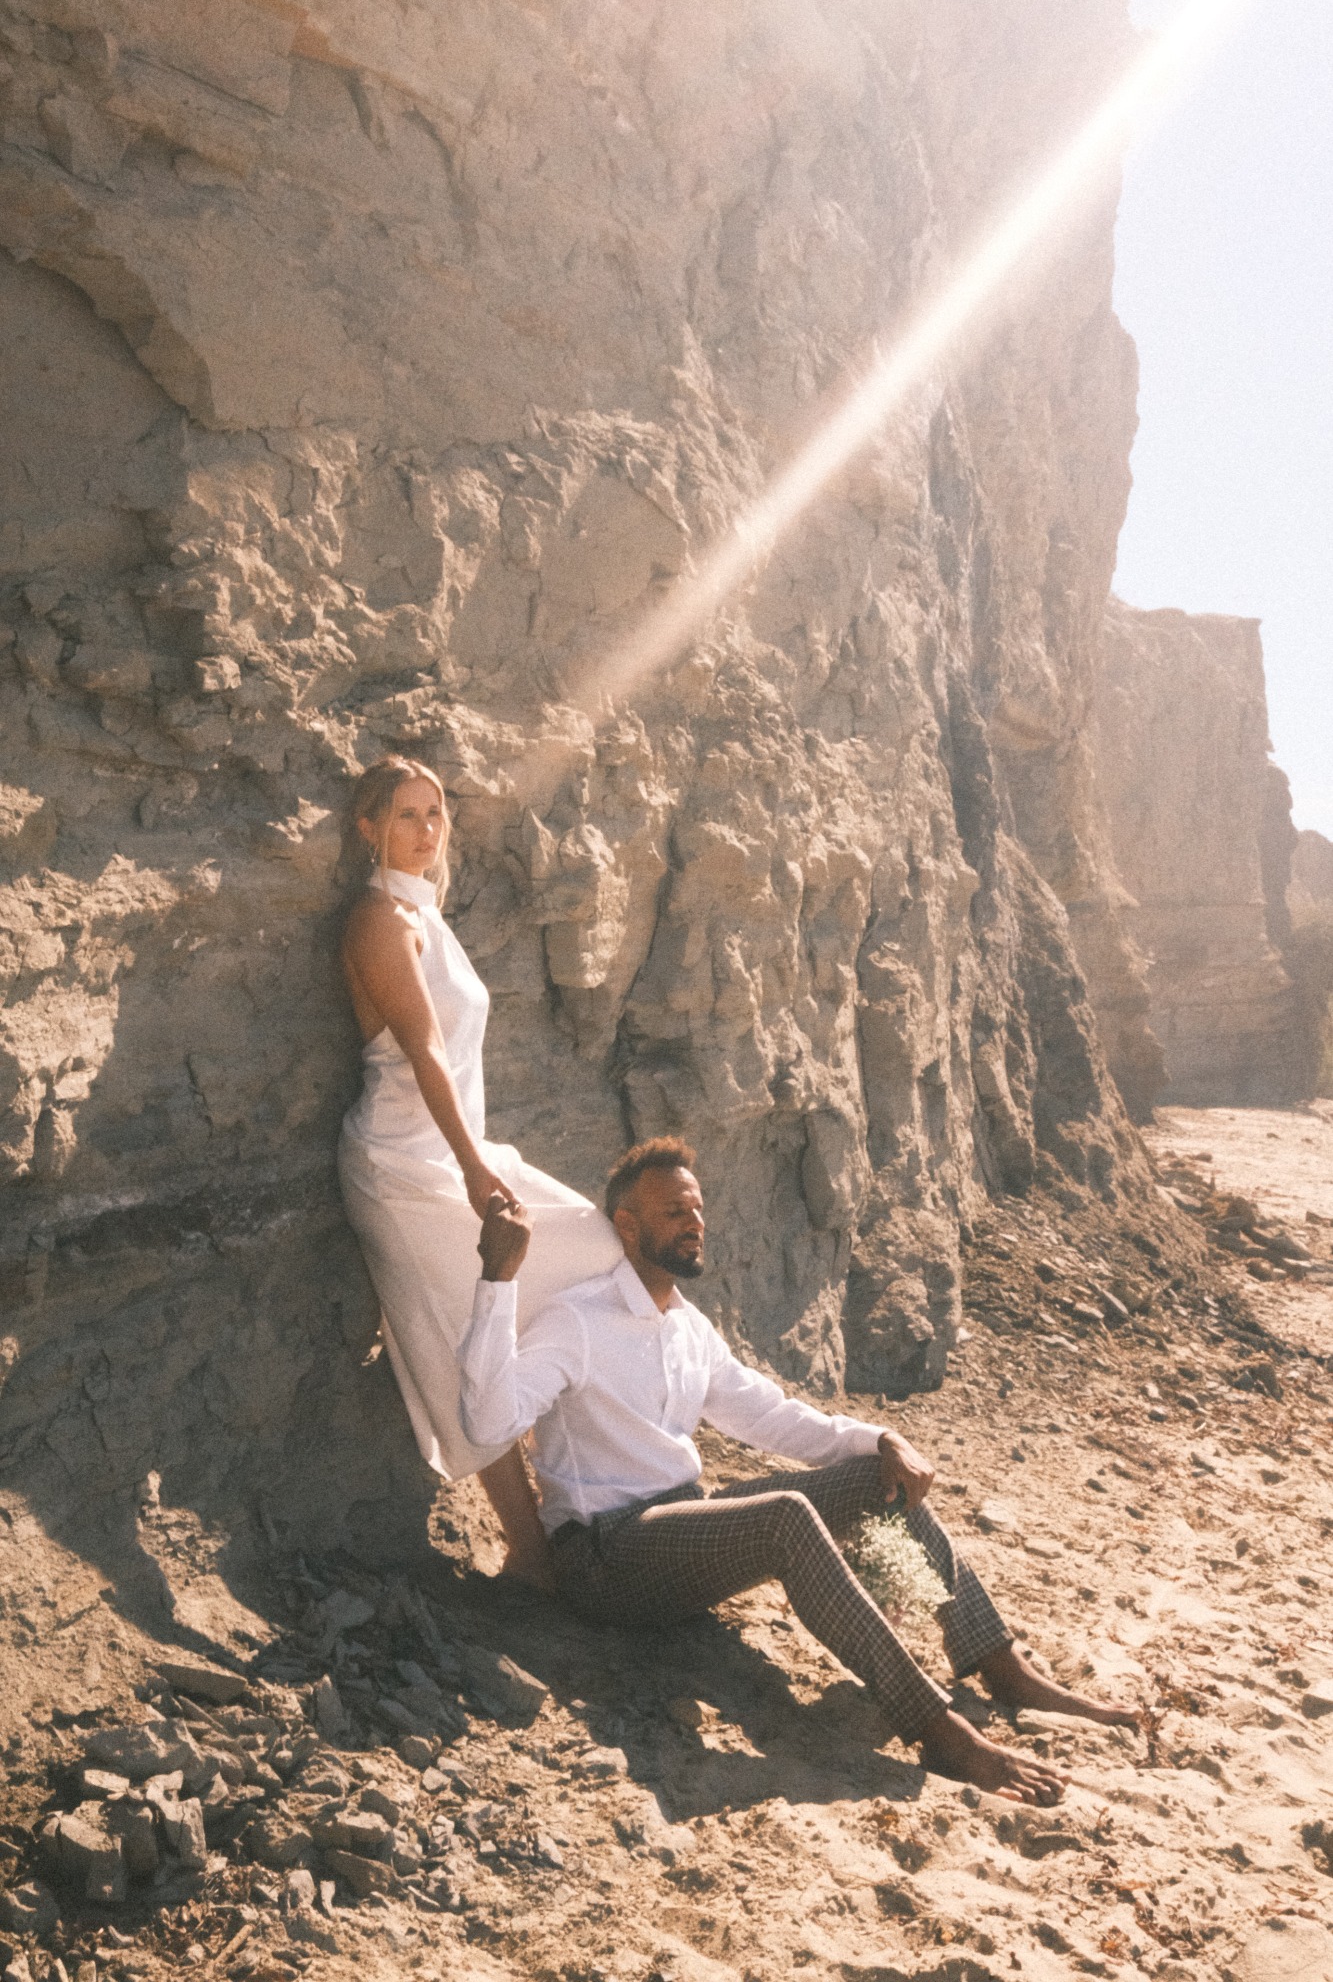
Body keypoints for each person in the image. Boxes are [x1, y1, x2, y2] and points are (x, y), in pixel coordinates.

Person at [457, 1137, 1141, 1804]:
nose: (695, 1224)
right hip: (603, 1558)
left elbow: (772, 1418)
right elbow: (488, 1424)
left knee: (874, 1478)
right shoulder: (575, 1320)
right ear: (627, 1226)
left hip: (679, 1537)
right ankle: (937, 1729)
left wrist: (880, 1440)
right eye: (674, 1213)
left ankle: (1001, 1666)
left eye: (697, 1210)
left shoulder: (687, 1326)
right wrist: (496, 1280)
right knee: (787, 1517)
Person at [337, 754, 622, 1587]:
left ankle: (583, 1502)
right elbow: (421, 1051)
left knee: (598, 1256)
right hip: (401, 1167)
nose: (424, 831)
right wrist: (470, 1167)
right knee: (457, 1337)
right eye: (403, 817)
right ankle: (533, 1555)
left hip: (454, 1152)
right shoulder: (379, 921)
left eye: (433, 814)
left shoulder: (428, 912)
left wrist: (473, 1156)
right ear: (367, 828)